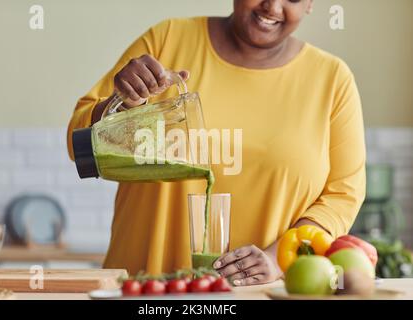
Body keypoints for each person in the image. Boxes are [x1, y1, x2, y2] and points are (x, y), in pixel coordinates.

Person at [67, 0, 366, 285]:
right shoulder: (168, 40)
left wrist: (277, 260)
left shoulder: (331, 80)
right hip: (142, 289)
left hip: (259, 293)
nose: (272, 7)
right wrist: (123, 104)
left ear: (310, 4)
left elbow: (343, 193)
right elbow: (77, 143)